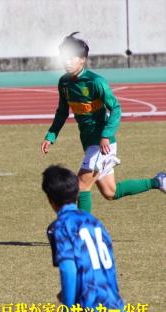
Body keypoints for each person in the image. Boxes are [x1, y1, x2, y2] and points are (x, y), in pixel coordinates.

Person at [40, 32, 165, 213]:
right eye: (64, 58)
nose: (67, 62)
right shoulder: (64, 83)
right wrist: (50, 136)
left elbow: (116, 108)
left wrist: (106, 135)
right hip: (89, 142)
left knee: (81, 187)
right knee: (110, 192)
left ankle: (83, 229)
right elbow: (61, 112)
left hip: (100, 144)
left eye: (71, 58)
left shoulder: (96, 81)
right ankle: (158, 181)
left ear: (83, 59)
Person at [43, 165, 130, 312]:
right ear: (77, 193)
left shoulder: (60, 226)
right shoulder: (95, 222)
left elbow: (69, 271)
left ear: (50, 199)